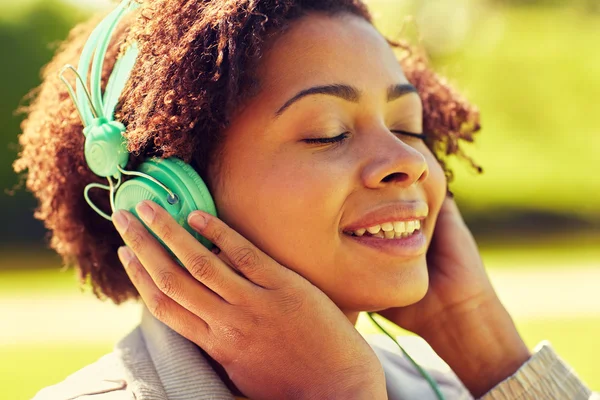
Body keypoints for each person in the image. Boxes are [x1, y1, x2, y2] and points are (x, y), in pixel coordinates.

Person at [13, 0, 597, 399]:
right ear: (166, 199)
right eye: (328, 133)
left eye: (409, 127)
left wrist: (487, 347)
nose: (411, 161)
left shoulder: (442, 387)